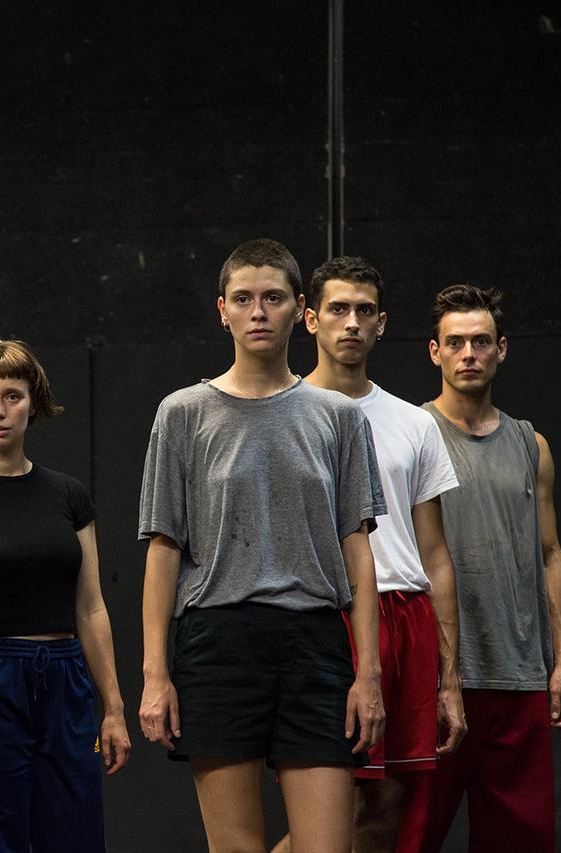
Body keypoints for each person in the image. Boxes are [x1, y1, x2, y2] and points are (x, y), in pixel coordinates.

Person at [138, 238, 387, 853]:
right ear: (221, 309)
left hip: (316, 644)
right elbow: (164, 550)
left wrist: (369, 672)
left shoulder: (339, 417)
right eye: (243, 299)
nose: (257, 311)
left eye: (272, 298)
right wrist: (154, 674)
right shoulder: (183, 413)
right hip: (219, 643)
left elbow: (357, 548)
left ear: (298, 310)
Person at [271, 257, 466, 853]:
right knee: (329, 809)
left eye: (364, 311)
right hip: (325, 620)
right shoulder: (279, 413)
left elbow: (434, 554)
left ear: (382, 323)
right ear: (310, 319)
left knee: (385, 808)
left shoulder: (415, 423)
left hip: (406, 617)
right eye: (337, 309)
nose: (350, 323)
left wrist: (450, 679)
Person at [396, 284, 561, 852]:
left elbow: (550, 554)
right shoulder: (410, 436)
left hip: (519, 677)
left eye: (480, 341)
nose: (468, 353)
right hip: (439, 678)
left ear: (502, 349)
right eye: (455, 343)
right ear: (434, 352)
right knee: (408, 837)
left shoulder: (530, 445)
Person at [0, 337, 131, 853]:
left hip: (65, 678)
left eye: (13, 395)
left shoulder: (68, 495)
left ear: (34, 402)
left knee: (77, 837)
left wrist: (112, 706)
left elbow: (90, 606)